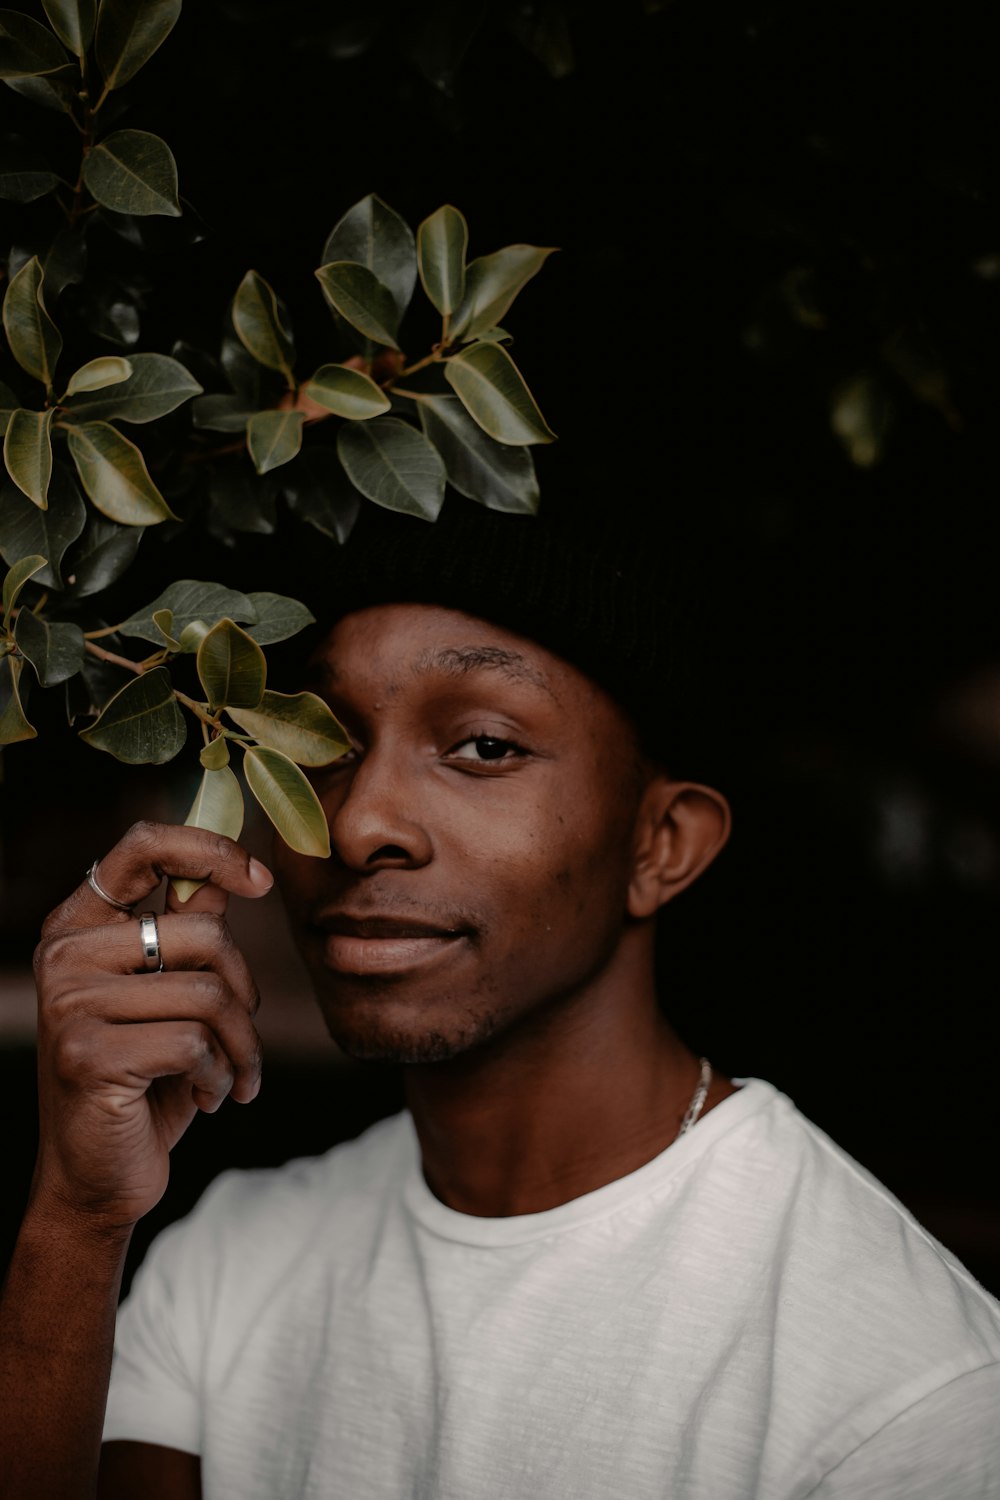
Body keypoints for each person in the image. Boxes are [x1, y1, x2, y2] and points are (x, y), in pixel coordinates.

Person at [1, 497, 998, 1500]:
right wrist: (79, 1219)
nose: (359, 825)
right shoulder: (230, 1259)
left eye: (483, 746)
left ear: (660, 846)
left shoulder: (899, 1391)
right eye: (321, 744)